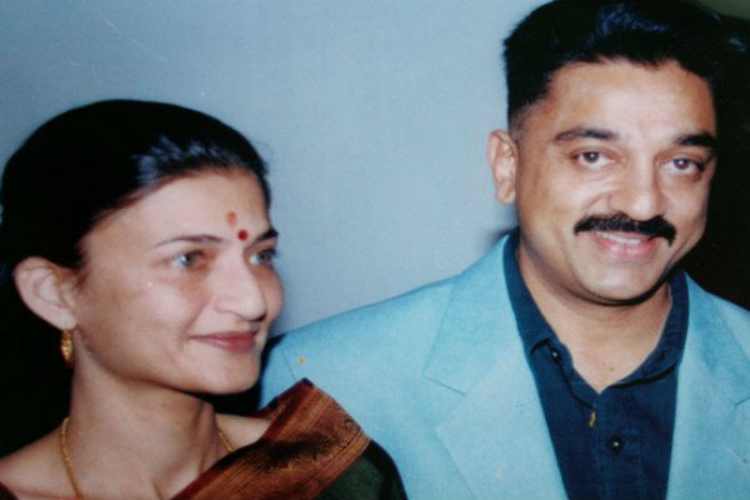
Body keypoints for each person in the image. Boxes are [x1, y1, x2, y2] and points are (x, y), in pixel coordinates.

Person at [260, 1, 750, 499]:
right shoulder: (324, 385)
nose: (643, 203)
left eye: (682, 163)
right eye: (593, 156)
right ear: (506, 166)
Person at [0, 100, 407, 499]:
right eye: (188, 259)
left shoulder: (331, 477)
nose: (252, 302)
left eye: (261, 256)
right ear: (53, 293)